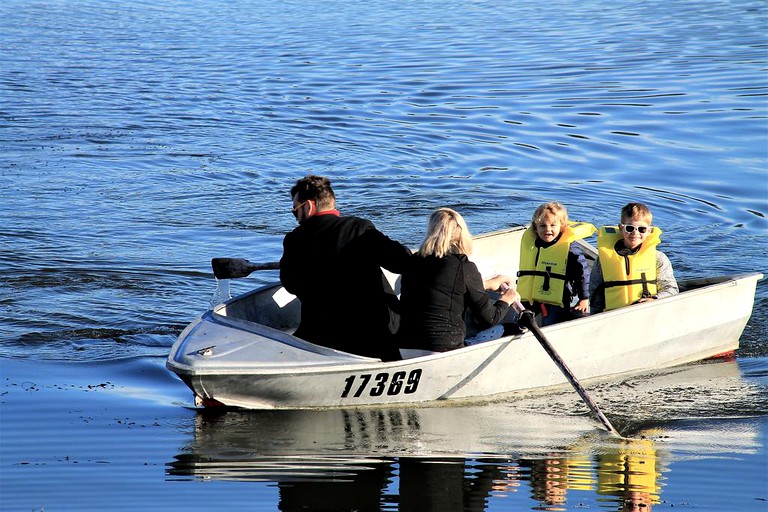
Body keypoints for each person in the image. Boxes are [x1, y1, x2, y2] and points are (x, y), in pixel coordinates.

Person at [279, 175, 411, 361]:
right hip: (372, 334)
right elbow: (402, 261)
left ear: (308, 206)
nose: (296, 216)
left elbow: (290, 284)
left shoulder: (294, 240)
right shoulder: (358, 228)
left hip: (320, 336)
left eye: (295, 211)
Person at [397, 208, 520, 357]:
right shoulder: (463, 265)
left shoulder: (414, 261)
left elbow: (442, 286)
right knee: (511, 329)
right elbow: (489, 318)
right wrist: (507, 299)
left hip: (404, 348)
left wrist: (486, 284)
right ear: (461, 233)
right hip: (443, 350)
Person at [589, 202, 678, 313]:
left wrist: (655, 300)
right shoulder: (604, 258)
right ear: (621, 228)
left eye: (642, 229)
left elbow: (671, 289)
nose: (635, 233)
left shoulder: (659, 258)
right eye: (630, 228)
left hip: (648, 313)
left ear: (649, 231)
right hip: (613, 316)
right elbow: (595, 291)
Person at [517, 201, 595, 326]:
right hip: (530, 298)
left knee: (551, 325)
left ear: (562, 226)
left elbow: (582, 273)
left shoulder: (569, 248)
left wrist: (584, 299)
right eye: (542, 226)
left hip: (556, 300)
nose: (548, 230)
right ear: (535, 228)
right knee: (524, 323)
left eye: (553, 225)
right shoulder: (532, 245)